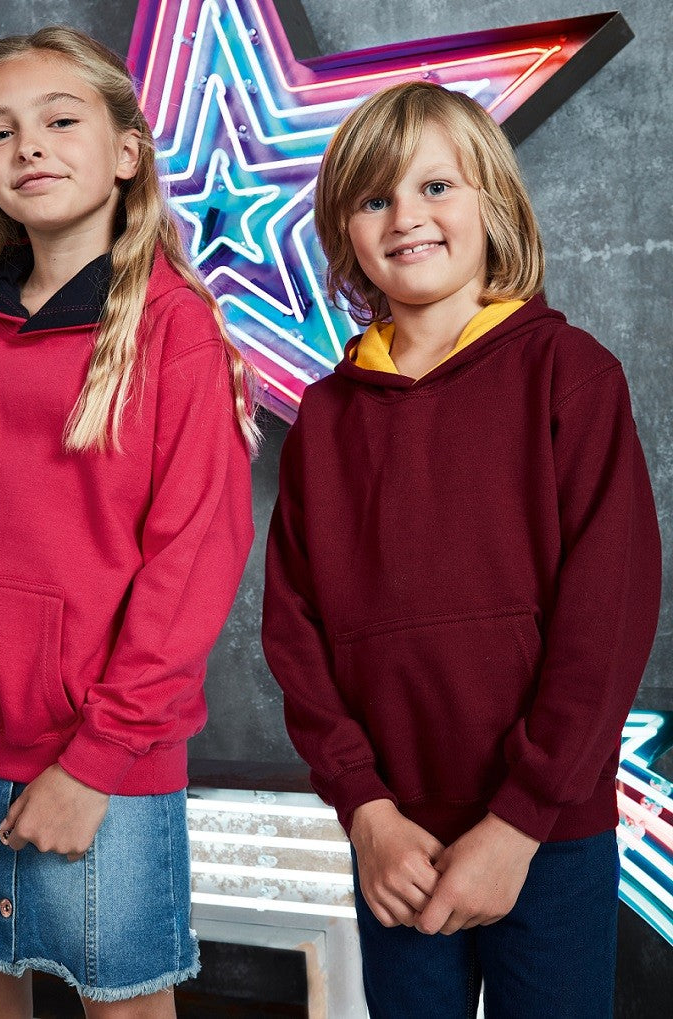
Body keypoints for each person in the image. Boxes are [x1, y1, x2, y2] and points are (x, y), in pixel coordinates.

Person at [0, 25, 256, 1019]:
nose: (29, 146)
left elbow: (191, 564)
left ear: (126, 151)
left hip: (104, 768)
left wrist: (94, 763)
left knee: (123, 1006)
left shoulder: (176, 329)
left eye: (59, 120)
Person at [262, 81, 661, 1018]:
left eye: (435, 187)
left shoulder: (571, 375)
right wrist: (365, 809)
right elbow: (295, 629)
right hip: (393, 839)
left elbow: (606, 618)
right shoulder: (325, 417)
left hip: (547, 832)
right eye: (375, 198)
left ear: (494, 203)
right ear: (345, 230)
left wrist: (520, 820)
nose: (406, 216)